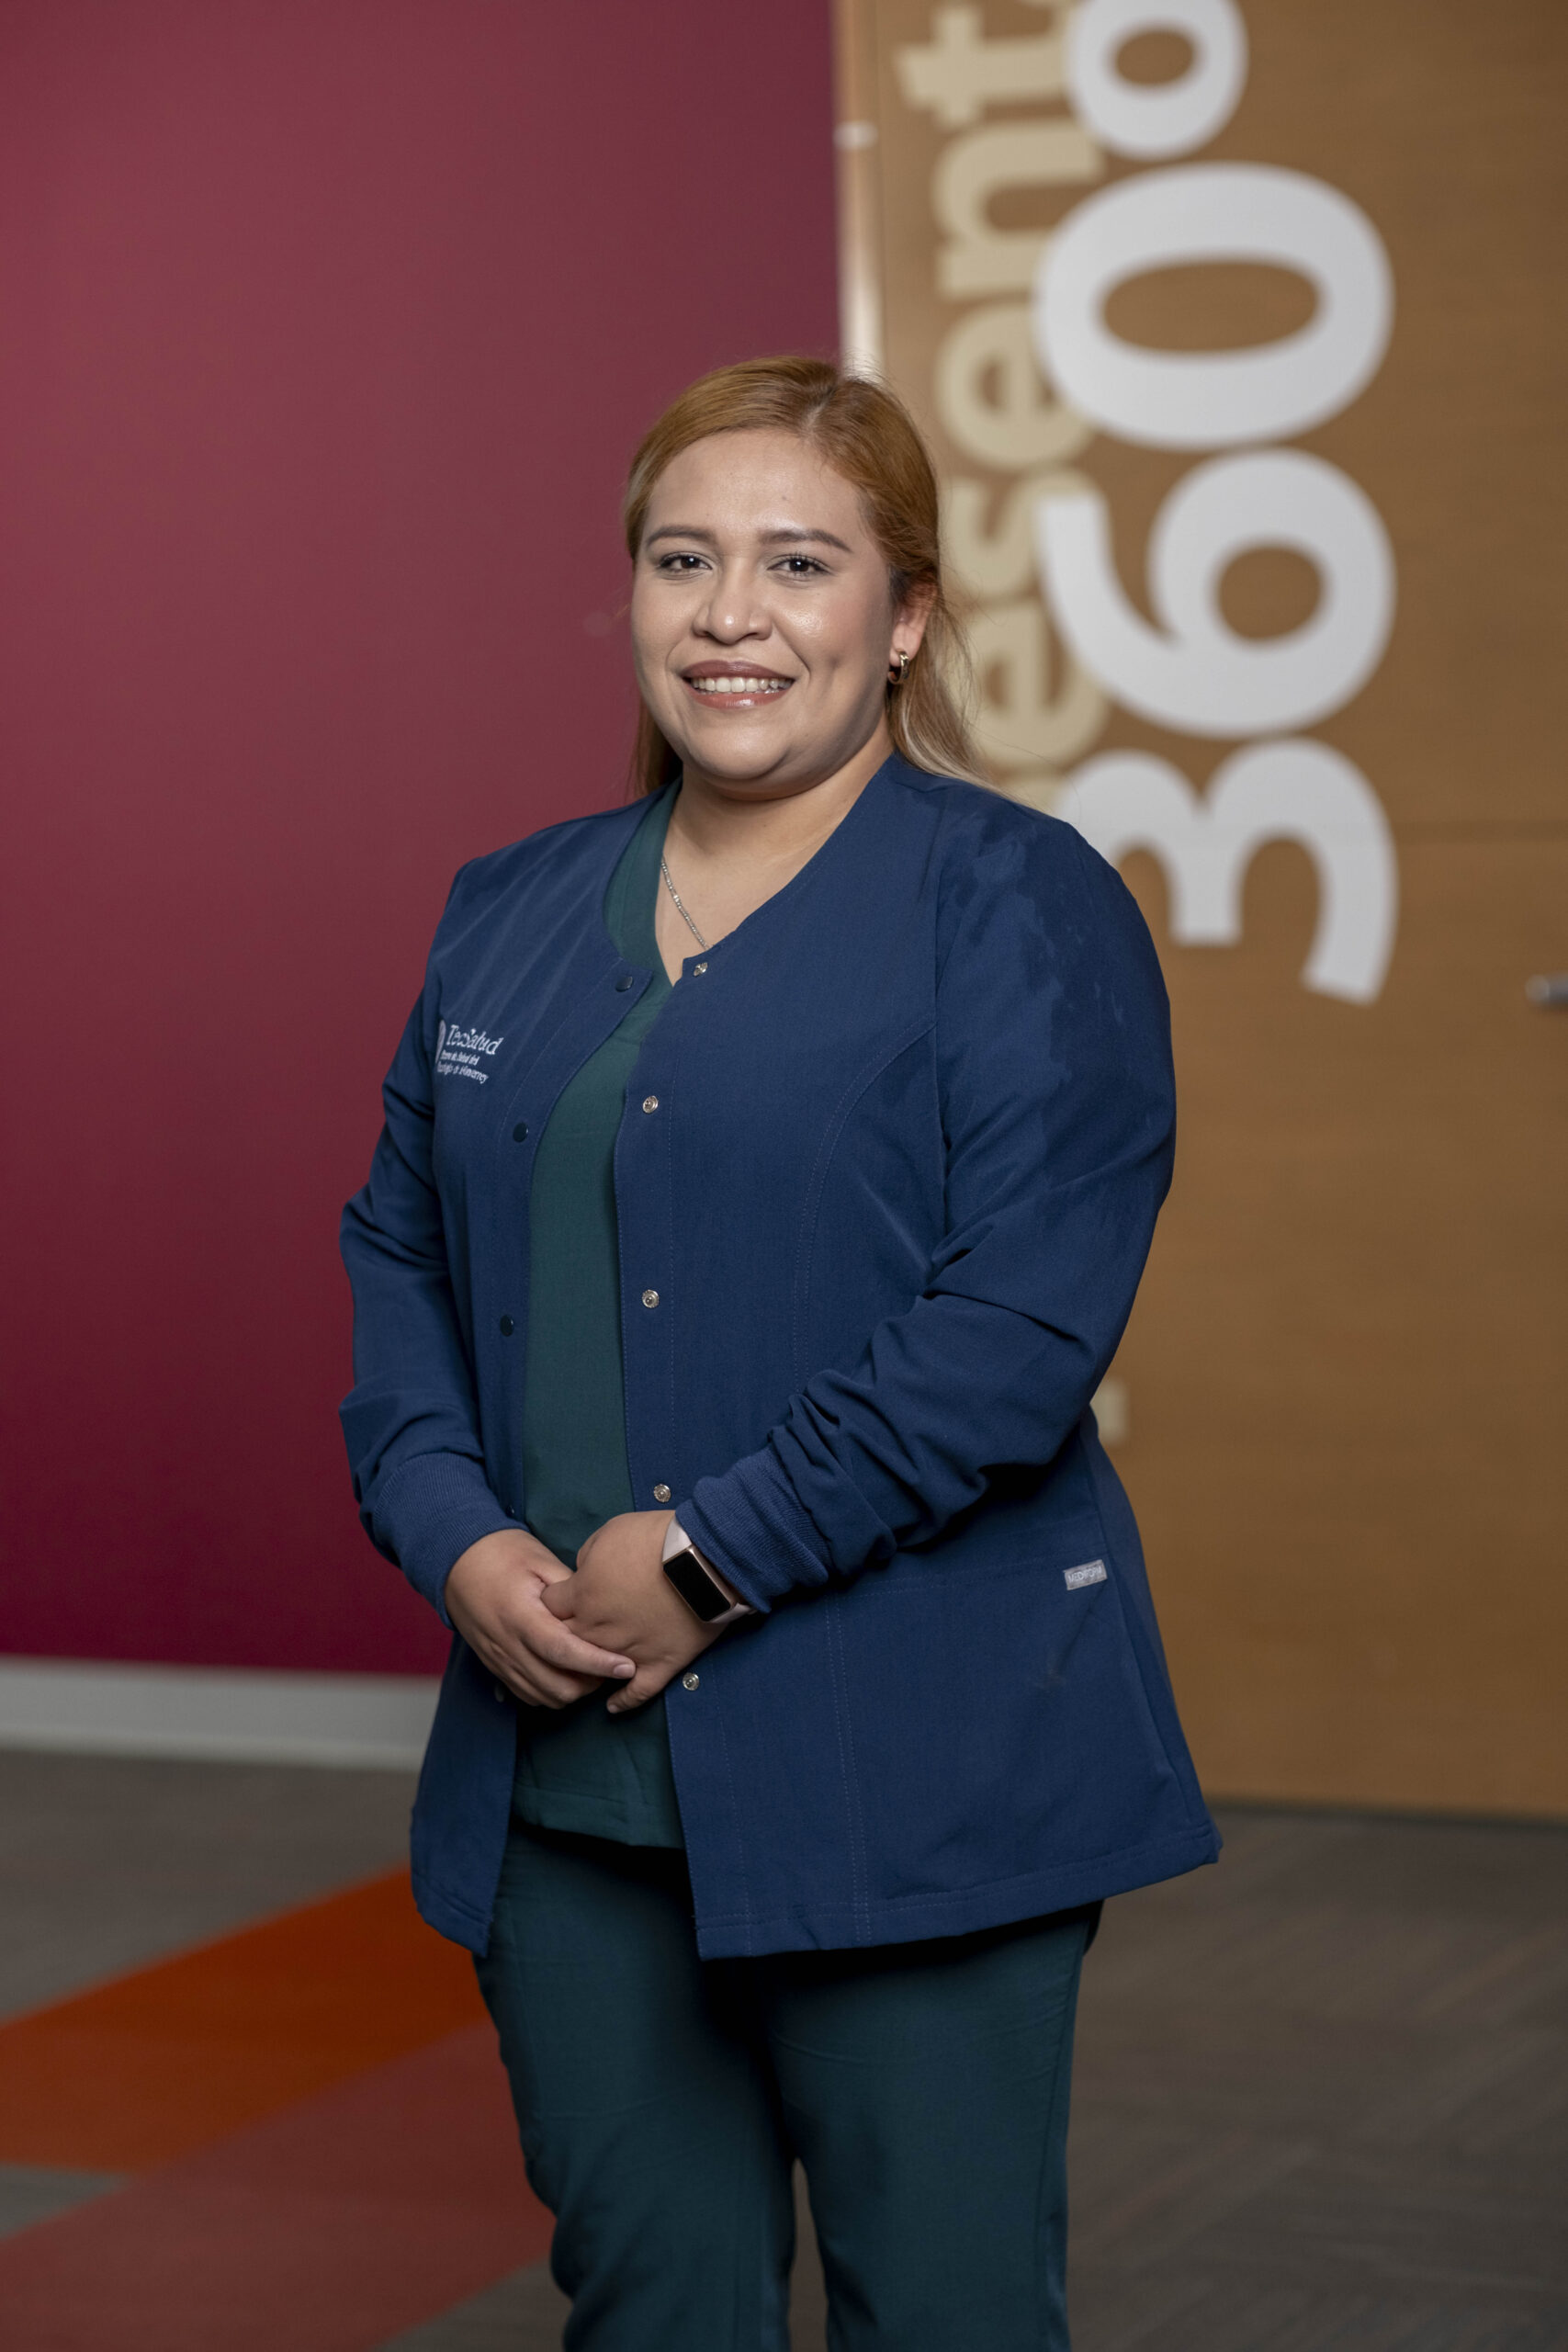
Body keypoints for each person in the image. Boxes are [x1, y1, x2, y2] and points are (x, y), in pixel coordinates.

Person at [340, 355, 1218, 2351]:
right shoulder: (509, 909)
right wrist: (452, 1531)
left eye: (799, 563)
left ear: (902, 618)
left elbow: (1017, 1326)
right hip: (564, 1773)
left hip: (910, 1765)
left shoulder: (1021, 905)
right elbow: (397, 1245)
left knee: (946, 2310)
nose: (731, 613)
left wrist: (714, 1551)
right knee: (647, 2303)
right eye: (684, 559)